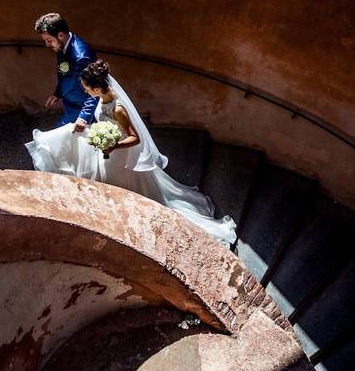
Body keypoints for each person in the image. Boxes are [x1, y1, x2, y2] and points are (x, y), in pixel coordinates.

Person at [25, 59, 237, 245]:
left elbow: (135, 138)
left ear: (97, 88)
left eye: (86, 88)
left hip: (120, 156)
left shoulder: (118, 108)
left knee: (131, 191)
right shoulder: (102, 98)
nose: (85, 91)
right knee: (69, 137)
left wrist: (112, 145)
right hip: (108, 147)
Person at [34, 13, 98, 131]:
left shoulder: (81, 57)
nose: (47, 45)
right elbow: (64, 74)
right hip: (70, 106)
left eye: (49, 40)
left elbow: (96, 91)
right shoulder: (60, 45)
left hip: (84, 110)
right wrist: (58, 93)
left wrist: (84, 118)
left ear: (61, 35)